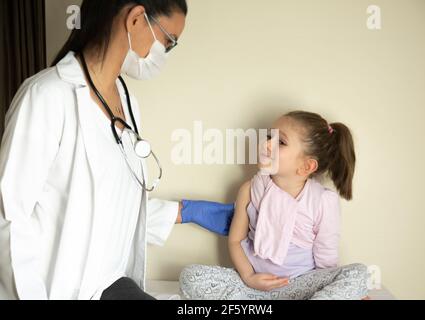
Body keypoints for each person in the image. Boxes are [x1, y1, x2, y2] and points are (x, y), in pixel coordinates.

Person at [0, 0, 234, 300]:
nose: (165, 53)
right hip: (57, 290)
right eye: (168, 41)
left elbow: (111, 205)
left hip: (110, 285)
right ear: (136, 19)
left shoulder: (127, 102)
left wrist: (185, 212)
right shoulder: (47, 96)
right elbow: (9, 217)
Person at [180, 111, 369, 300]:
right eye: (269, 136)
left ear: (306, 167)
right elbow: (235, 241)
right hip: (254, 288)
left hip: (301, 287)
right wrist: (249, 276)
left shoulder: (322, 201)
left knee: (359, 273)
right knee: (190, 276)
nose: (267, 144)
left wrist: (344, 292)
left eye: (281, 142)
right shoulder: (250, 189)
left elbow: (326, 260)